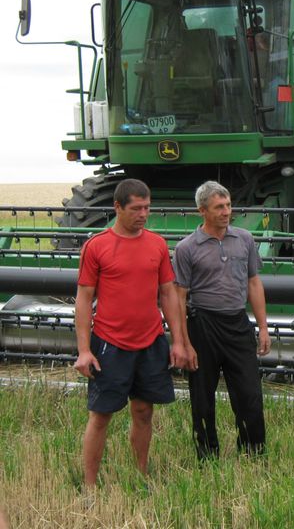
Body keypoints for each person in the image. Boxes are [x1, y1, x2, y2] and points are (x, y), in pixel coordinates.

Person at [73, 178, 188, 488]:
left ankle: (140, 474)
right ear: (117, 208)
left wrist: (176, 341)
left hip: (150, 341)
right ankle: (90, 485)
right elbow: (84, 300)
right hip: (110, 344)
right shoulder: (97, 246)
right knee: (101, 416)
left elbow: (167, 294)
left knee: (143, 410)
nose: (143, 214)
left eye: (147, 208)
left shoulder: (157, 244)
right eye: (136, 208)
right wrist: (84, 350)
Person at [173, 181, 271, 460]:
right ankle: (207, 454)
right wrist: (183, 341)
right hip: (202, 325)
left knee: (249, 393)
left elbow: (254, 282)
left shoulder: (244, 239)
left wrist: (263, 327)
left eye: (228, 205)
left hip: (237, 323)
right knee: (202, 396)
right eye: (219, 207)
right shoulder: (186, 248)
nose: (226, 211)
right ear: (202, 210)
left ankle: (253, 451)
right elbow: (179, 295)